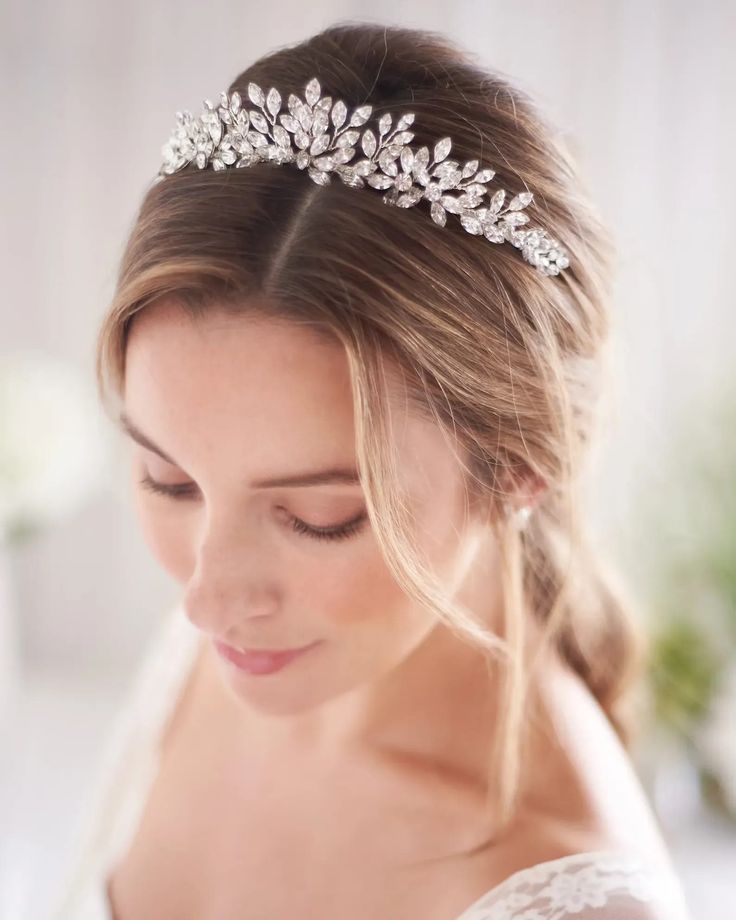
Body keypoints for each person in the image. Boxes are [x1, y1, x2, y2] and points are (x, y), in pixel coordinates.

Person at [49, 20, 692, 920]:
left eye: (318, 518)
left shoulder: (572, 895)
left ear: (517, 467)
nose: (204, 598)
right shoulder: (241, 646)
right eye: (171, 482)